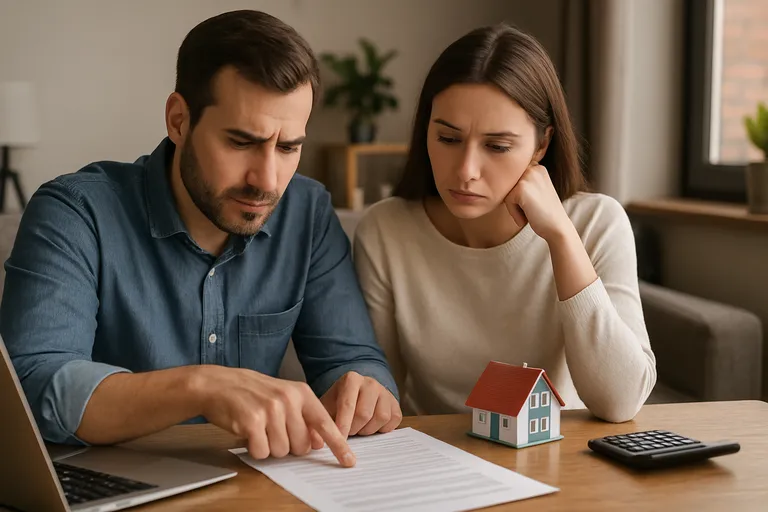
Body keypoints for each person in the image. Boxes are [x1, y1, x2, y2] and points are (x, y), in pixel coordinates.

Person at [0, 10, 402, 467]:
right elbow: (32, 385)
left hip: (254, 488)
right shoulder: (75, 212)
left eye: (289, 147)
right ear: (178, 120)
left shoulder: (307, 214)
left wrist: (366, 389)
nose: (267, 180)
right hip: (110, 487)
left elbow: (352, 360)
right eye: (240, 142)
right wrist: (201, 386)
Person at [353, 23, 656, 423]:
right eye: (447, 138)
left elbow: (620, 403)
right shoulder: (385, 230)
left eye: (497, 147)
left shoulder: (597, 222)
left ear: (542, 145)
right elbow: (378, 392)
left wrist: (562, 237)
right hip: (435, 456)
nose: (465, 171)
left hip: (561, 459)